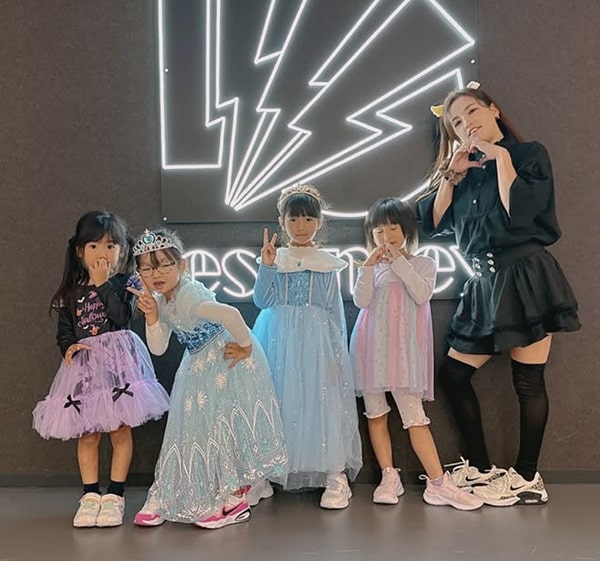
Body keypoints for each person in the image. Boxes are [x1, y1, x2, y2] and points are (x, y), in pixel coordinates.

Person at [418, 83, 580, 506]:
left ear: (493, 110)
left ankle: (527, 477)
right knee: (453, 375)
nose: (466, 124)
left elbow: (520, 211)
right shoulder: (464, 173)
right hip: (483, 286)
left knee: (527, 380)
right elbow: (431, 223)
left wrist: (501, 157)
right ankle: (481, 466)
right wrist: (453, 175)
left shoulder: (528, 155)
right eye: (456, 122)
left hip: (525, 278)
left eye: (472, 112)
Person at [130, 228, 287, 529]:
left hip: (226, 357)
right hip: (199, 361)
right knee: (200, 425)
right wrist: (152, 317)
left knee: (223, 422)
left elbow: (231, 315)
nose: (156, 274)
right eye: (147, 268)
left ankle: (235, 495)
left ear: (182, 265)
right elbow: (158, 348)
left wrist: (245, 346)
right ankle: (222, 488)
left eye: (163, 265)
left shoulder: (188, 296)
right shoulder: (162, 300)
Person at [32, 211, 170, 527]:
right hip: (85, 371)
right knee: (88, 434)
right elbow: (64, 331)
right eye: (93, 246)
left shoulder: (125, 283)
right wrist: (68, 347)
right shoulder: (71, 292)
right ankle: (90, 495)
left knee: (120, 430)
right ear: (80, 251)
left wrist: (103, 284)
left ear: (123, 250)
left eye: (110, 245)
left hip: (119, 367)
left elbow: (121, 317)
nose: (102, 253)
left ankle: (115, 495)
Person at [350, 198, 483, 510]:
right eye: (379, 231)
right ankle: (388, 476)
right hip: (369, 349)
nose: (386, 236)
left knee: (415, 418)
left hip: (403, 354)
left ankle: (438, 483)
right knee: (376, 415)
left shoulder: (423, 264)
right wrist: (368, 267)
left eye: (392, 228)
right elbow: (361, 301)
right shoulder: (372, 267)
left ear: (406, 229)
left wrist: (398, 260)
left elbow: (422, 294)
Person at [252, 184, 362, 510]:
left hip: (316, 342)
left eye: (308, 219)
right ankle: (264, 473)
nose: (301, 226)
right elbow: (262, 300)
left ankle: (335, 474)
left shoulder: (326, 263)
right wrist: (267, 266)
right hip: (277, 337)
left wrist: (336, 356)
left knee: (321, 401)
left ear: (319, 221)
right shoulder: (276, 258)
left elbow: (333, 312)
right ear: (282, 221)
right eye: (294, 219)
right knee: (276, 401)